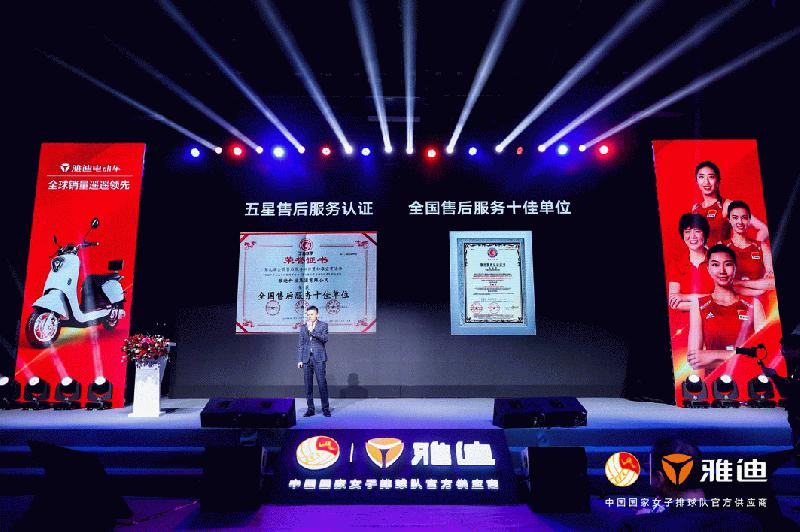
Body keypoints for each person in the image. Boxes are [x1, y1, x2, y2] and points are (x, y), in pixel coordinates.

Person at [687, 244, 765, 373]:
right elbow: (694, 360)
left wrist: (714, 355)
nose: (722, 270)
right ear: (708, 269)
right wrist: (745, 354)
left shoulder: (754, 305)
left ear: (735, 267)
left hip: (750, 379)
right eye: (715, 265)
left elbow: (763, 353)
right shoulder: (699, 305)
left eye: (728, 264)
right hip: (715, 382)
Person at [691, 161, 769, 246]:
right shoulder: (696, 209)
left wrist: (753, 247)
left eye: (711, 177)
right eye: (701, 177)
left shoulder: (727, 205)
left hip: (722, 254)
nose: (706, 182)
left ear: (718, 181)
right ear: (697, 182)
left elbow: (764, 229)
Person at [722, 200, 775, 297]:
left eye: (744, 218)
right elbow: (720, 283)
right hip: (733, 301)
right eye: (735, 218)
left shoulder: (762, 247)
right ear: (729, 220)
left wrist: (739, 283)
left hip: (759, 301)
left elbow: (772, 282)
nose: (740, 222)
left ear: (749, 220)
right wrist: (756, 290)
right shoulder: (722, 247)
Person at [762, 330, 800, 451]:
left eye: (785, 349)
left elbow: (792, 390)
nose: (782, 352)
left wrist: (774, 376)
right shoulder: (795, 365)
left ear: (796, 349)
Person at [667, 213, 714, 312]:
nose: (692, 236)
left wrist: (685, 297)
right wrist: (709, 302)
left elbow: (723, 297)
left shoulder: (717, 260)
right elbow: (674, 303)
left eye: (697, 231)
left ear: (705, 234)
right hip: (686, 320)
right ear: (683, 235)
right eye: (687, 231)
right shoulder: (677, 264)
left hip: (714, 319)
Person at [297, 306, 331, 417]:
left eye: (311, 314)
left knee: (322, 383)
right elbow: (301, 344)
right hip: (306, 359)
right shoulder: (303, 327)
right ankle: (310, 409)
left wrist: (313, 331)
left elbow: (325, 339)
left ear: (317, 315)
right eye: (308, 315)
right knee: (308, 385)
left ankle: (325, 408)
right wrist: (300, 359)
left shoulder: (323, 325)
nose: (309, 316)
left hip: (319, 358)